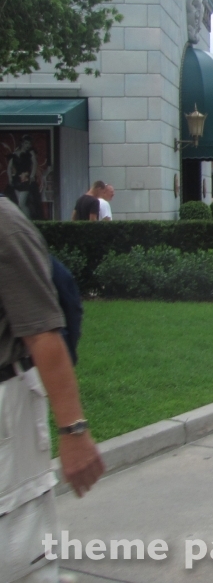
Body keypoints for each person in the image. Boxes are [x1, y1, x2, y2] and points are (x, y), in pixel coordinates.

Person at [0, 196, 105, 581]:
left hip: (7, 411)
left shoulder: (4, 224)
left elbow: (44, 334)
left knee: (18, 554)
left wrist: (74, 430)